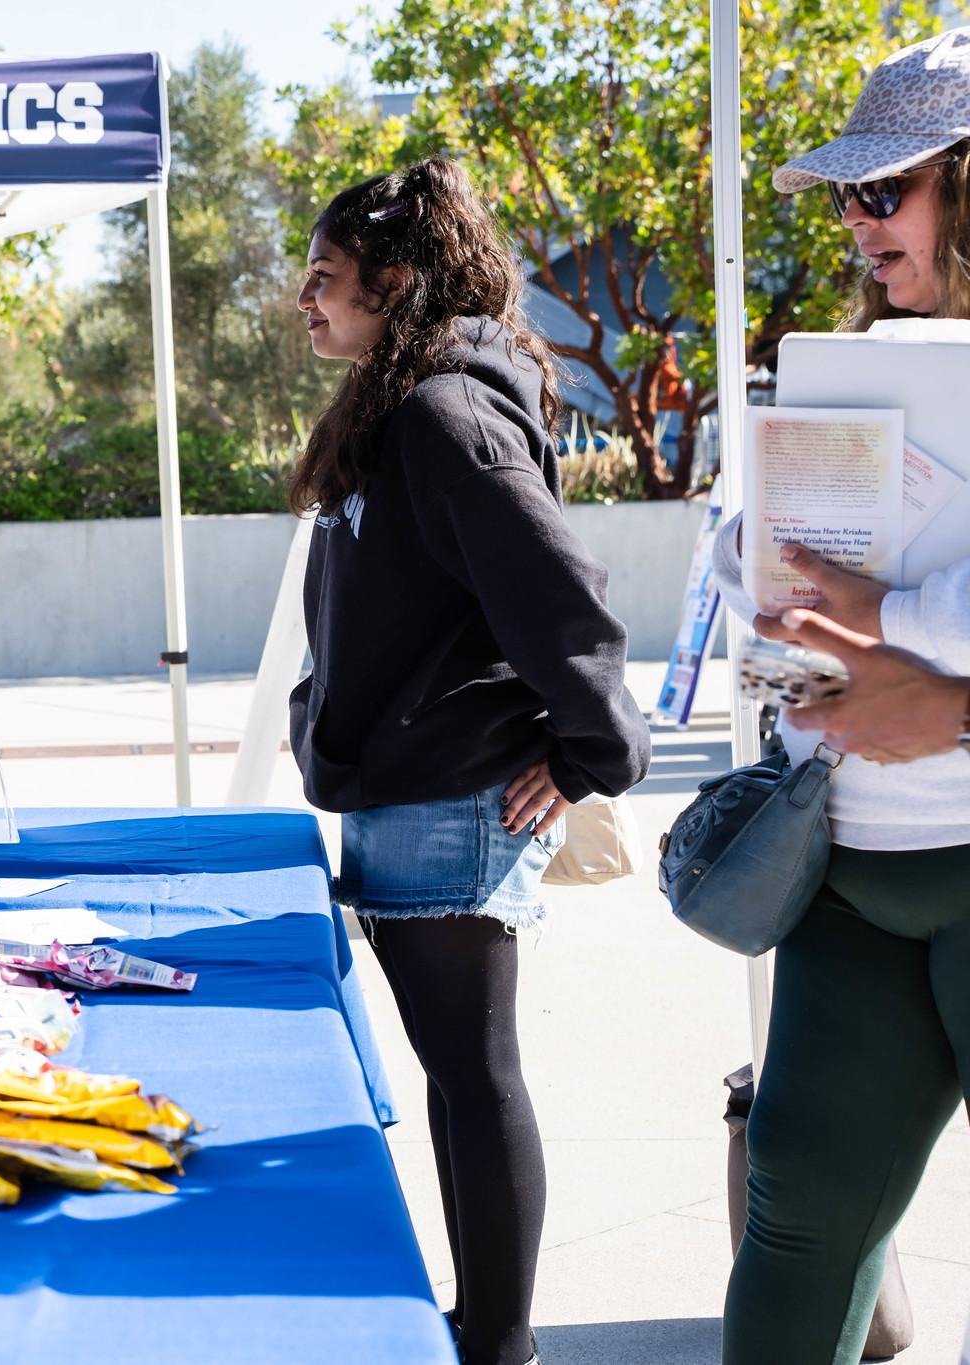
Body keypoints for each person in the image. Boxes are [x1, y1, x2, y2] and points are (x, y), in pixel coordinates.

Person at [288, 157, 650, 1365]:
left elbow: (562, 594)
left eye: (324, 279)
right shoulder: (405, 407)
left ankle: (496, 1341)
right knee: (454, 1076)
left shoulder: (445, 413)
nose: (305, 302)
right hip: (403, 784)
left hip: (452, 797)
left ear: (393, 284)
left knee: (472, 1073)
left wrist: (587, 750)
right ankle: (481, 1327)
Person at [707, 34, 970, 1357]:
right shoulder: (851, 365)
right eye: (848, 197)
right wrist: (753, 567)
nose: (858, 222)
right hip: (854, 869)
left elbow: (887, 615)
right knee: (800, 1212)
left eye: (888, 190)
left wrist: (904, 631)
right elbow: (759, 573)